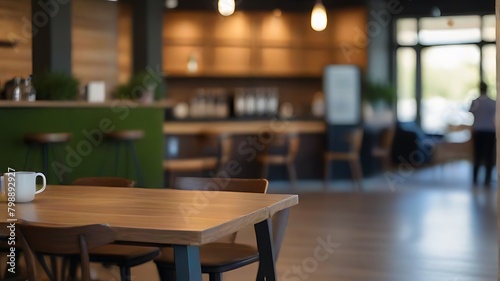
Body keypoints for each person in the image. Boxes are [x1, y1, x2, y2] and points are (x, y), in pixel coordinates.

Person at [469, 81, 496, 187]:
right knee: (489, 156)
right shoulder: (492, 102)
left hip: (479, 131)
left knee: (477, 156)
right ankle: (487, 180)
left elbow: (470, 112)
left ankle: (475, 179)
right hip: (489, 131)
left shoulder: (475, 102)